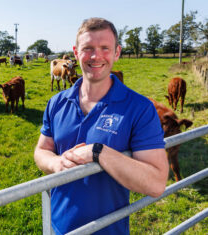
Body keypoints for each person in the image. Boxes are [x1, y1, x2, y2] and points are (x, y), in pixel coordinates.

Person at [34, 17, 169, 235]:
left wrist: (98, 152)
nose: (96, 56)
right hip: (59, 227)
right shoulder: (56, 103)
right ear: (76, 53)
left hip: (109, 229)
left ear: (117, 52)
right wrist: (57, 163)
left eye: (105, 48)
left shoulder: (140, 108)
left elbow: (156, 184)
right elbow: (41, 150)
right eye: (88, 48)